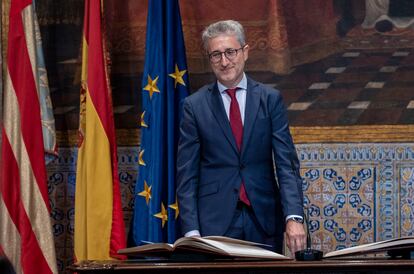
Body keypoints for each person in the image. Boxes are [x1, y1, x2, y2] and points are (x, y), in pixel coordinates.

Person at [176, 20, 305, 255]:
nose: (224, 62)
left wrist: (294, 216)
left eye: (230, 52)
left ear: (245, 52)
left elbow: (287, 165)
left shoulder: (270, 99)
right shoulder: (194, 106)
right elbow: (187, 174)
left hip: (264, 218)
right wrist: (191, 231)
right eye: (216, 55)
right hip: (214, 222)